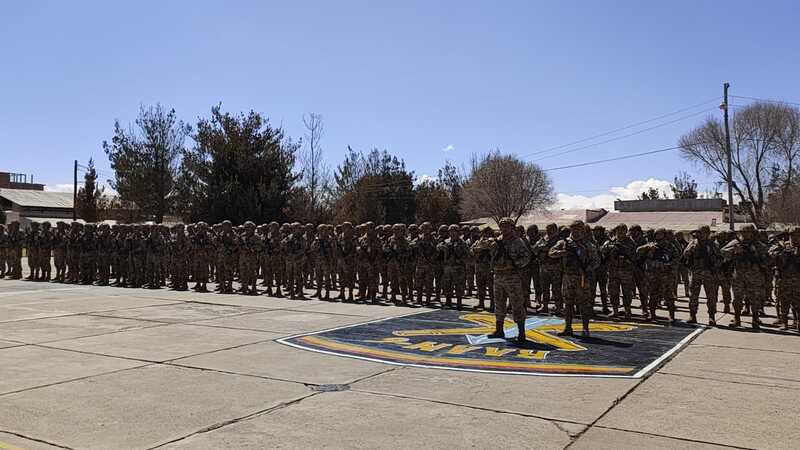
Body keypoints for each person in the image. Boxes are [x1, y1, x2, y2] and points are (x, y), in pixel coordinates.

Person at [549, 221, 599, 336]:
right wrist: (563, 252)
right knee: (568, 303)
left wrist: (587, 269)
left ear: (582, 230)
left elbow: (596, 261)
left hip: (582, 277)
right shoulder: (564, 242)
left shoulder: (588, 245)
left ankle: (585, 329)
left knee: (583, 304)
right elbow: (551, 253)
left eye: (578, 229)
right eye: (573, 228)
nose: (576, 231)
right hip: (567, 276)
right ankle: (568, 327)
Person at [488, 218, 531, 343]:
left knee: (517, 304)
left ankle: (521, 332)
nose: (504, 228)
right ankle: (499, 329)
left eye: (507, 226)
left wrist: (515, 264)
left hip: (512, 276)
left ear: (512, 227)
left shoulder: (517, 242)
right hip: (498, 275)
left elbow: (526, 257)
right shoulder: (497, 241)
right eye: (502, 226)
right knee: (499, 303)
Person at [722, 225, 769, 330]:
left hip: (754, 275)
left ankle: (755, 319)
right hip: (739, 275)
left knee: (755, 299)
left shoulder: (757, 244)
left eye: (748, 232)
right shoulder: (736, 243)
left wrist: (755, 253)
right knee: (737, 298)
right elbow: (723, 252)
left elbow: (766, 256)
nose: (746, 234)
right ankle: (737, 318)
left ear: (753, 233)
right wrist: (735, 251)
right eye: (744, 232)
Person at [683, 226, 722, 325]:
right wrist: (691, 249)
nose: (699, 235)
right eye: (698, 233)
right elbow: (685, 255)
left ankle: (711, 316)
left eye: (701, 233)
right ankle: (692, 315)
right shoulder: (693, 243)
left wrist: (714, 266)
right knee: (693, 295)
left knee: (711, 296)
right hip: (696, 272)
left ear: (707, 234)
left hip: (709, 273)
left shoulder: (713, 244)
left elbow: (720, 258)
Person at [637, 228, 678, 323]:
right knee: (653, 295)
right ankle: (652, 314)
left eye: (661, 235)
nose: (658, 237)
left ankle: (671, 316)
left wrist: (668, 265)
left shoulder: (670, 247)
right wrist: (647, 248)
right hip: (653, 275)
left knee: (669, 296)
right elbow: (638, 251)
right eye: (657, 235)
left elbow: (676, 259)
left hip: (666, 275)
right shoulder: (651, 245)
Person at [601, 224, 637, 318]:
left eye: (622, 230)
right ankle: (615, 311)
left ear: (626, 231)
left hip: (626, 270)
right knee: (613, 292)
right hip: (613, 270)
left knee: (627, 292)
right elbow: (603, 252)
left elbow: (634, 256)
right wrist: (609, 248)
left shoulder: (630, 242)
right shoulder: (611, 241)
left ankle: (627, 311)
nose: (620, 233)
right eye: (618, 230)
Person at [769, 227, 800, 331]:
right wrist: (780, 251)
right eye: (792, 235)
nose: (795, 238)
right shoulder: (783, 246)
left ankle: (797, 322)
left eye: (797, 235)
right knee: (784, 301)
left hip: (798, 280)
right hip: (784, 279)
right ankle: (785, 322)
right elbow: (770, 255)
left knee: (798, 302)